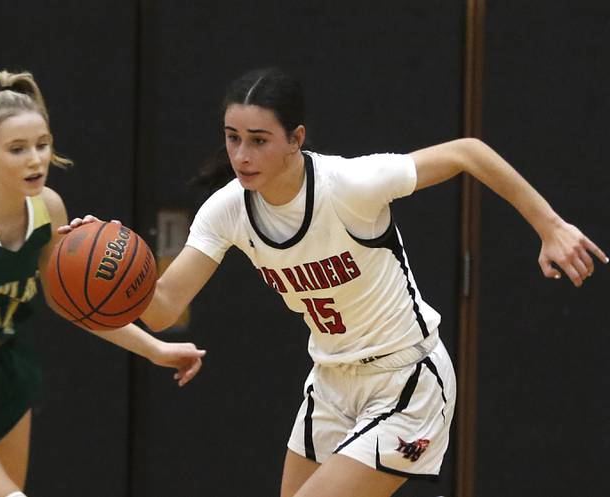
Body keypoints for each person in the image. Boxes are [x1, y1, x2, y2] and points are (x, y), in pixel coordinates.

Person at [63, 67, 607, 497]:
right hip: (329, 382)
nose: (242, 155)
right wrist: (102, 260)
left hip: (405, 378)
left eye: (258, 139)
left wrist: (551, 226)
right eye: (232, 138)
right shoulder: (226, 211)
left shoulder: (350, 185)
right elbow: (160, 307)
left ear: (296, 138)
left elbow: (467, 152)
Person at [0, 69, 206, 497]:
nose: (36, 159)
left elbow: (72, 303)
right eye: (18, 149)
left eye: (42, 145)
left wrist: (155, 349)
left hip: (3, 370)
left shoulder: (47, 208)